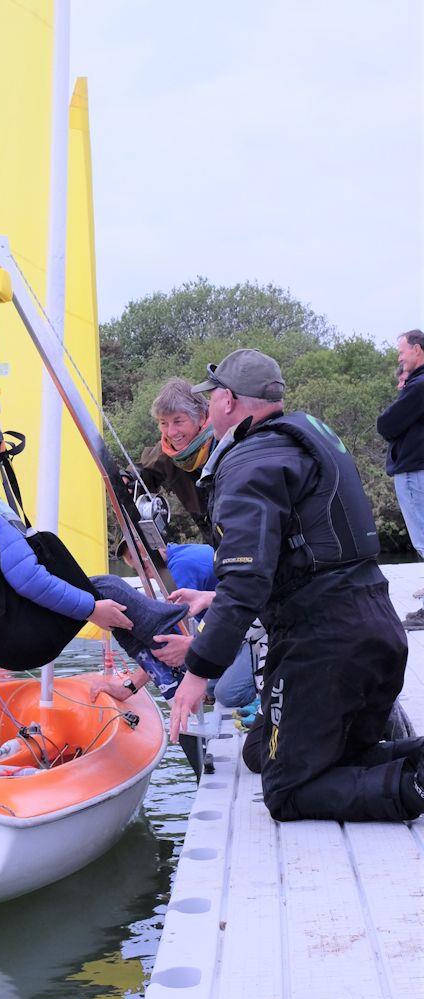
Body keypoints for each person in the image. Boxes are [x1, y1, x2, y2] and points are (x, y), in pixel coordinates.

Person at [168, 347, 423, 823]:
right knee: (261, 750)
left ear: (226, 400)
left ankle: (416, 787)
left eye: (211, 400)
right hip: (376, 628)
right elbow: (291, 559)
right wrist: (214, 597)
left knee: (285, 791)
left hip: (324, 645)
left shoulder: (247, 463)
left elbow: (245, 578)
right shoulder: (302, 439)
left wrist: (197, 673)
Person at [0, 431, 188, 688]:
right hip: (25, 638)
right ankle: (188, 651)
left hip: (1, 642)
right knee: (108, 593)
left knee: (104, 591)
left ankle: (163, 671)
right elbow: (29, 579)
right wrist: (91, 609)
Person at [114, 537, 258, 711]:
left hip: (253, 629)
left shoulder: (182, 568)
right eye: (131, 559)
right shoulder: (179, 552)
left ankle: (262, 688)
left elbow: (170, 643)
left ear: (153, 544)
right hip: (230, 627)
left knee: (226, 693)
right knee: (210, 686)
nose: (137, 560)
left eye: (139, 554)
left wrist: (130, 686)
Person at [377, 329, 424, 630]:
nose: (399, 356)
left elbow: (387, 424)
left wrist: (404, 392)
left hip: (414, 471)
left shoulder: (419, 387)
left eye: (402, 351)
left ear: (418, 349)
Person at [136, 379, 214, 536]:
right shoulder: (169, 451)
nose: (171, 432)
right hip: (214, 541)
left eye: (178, 421)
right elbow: (143, 472)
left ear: (200, 417)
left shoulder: (226, 441)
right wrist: (127, 478)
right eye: (163, 423)